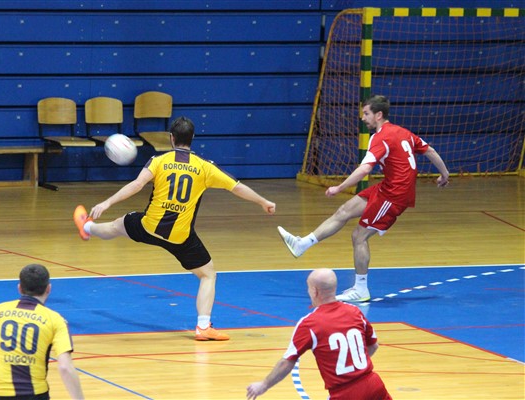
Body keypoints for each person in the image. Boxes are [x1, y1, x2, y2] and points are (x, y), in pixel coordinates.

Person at [73, 116, 276, 341]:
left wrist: (107, 203)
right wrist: (263, 201)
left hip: (149, 226)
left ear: (171, 138)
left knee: (117, 225)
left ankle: (87, 227)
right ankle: (203, 326)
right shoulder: (204, 167)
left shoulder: (159, 161)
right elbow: (237, 188)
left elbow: (137, 185)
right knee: (208, 274)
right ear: (193, 138)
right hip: (180, 237)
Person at [278, 95, 449, 302]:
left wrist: (340, 187)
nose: (362, 118)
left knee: (359, 236)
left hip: (395, 195)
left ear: (379, 115)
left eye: (366, 113)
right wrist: (444, 174)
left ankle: (361, 289)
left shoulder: (380, 137)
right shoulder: (403, 132)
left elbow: (365, 169)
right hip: (388, 187)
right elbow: (429, 150)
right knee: (344, 211)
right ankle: (302, 244)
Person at [246, 268, 392, 400]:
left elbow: (287, 362)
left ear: (315, 291)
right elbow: (373, 346)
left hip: (344, 393)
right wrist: (353, 366)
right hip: (373, 385)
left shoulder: (309, 324)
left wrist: (264, 385)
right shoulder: (355, 312)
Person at [0, 264, 84, 400]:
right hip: (34, 396)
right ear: (48, 288)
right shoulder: (55, 320)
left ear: (19, 288)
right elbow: (65, 367)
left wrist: (6, 367)